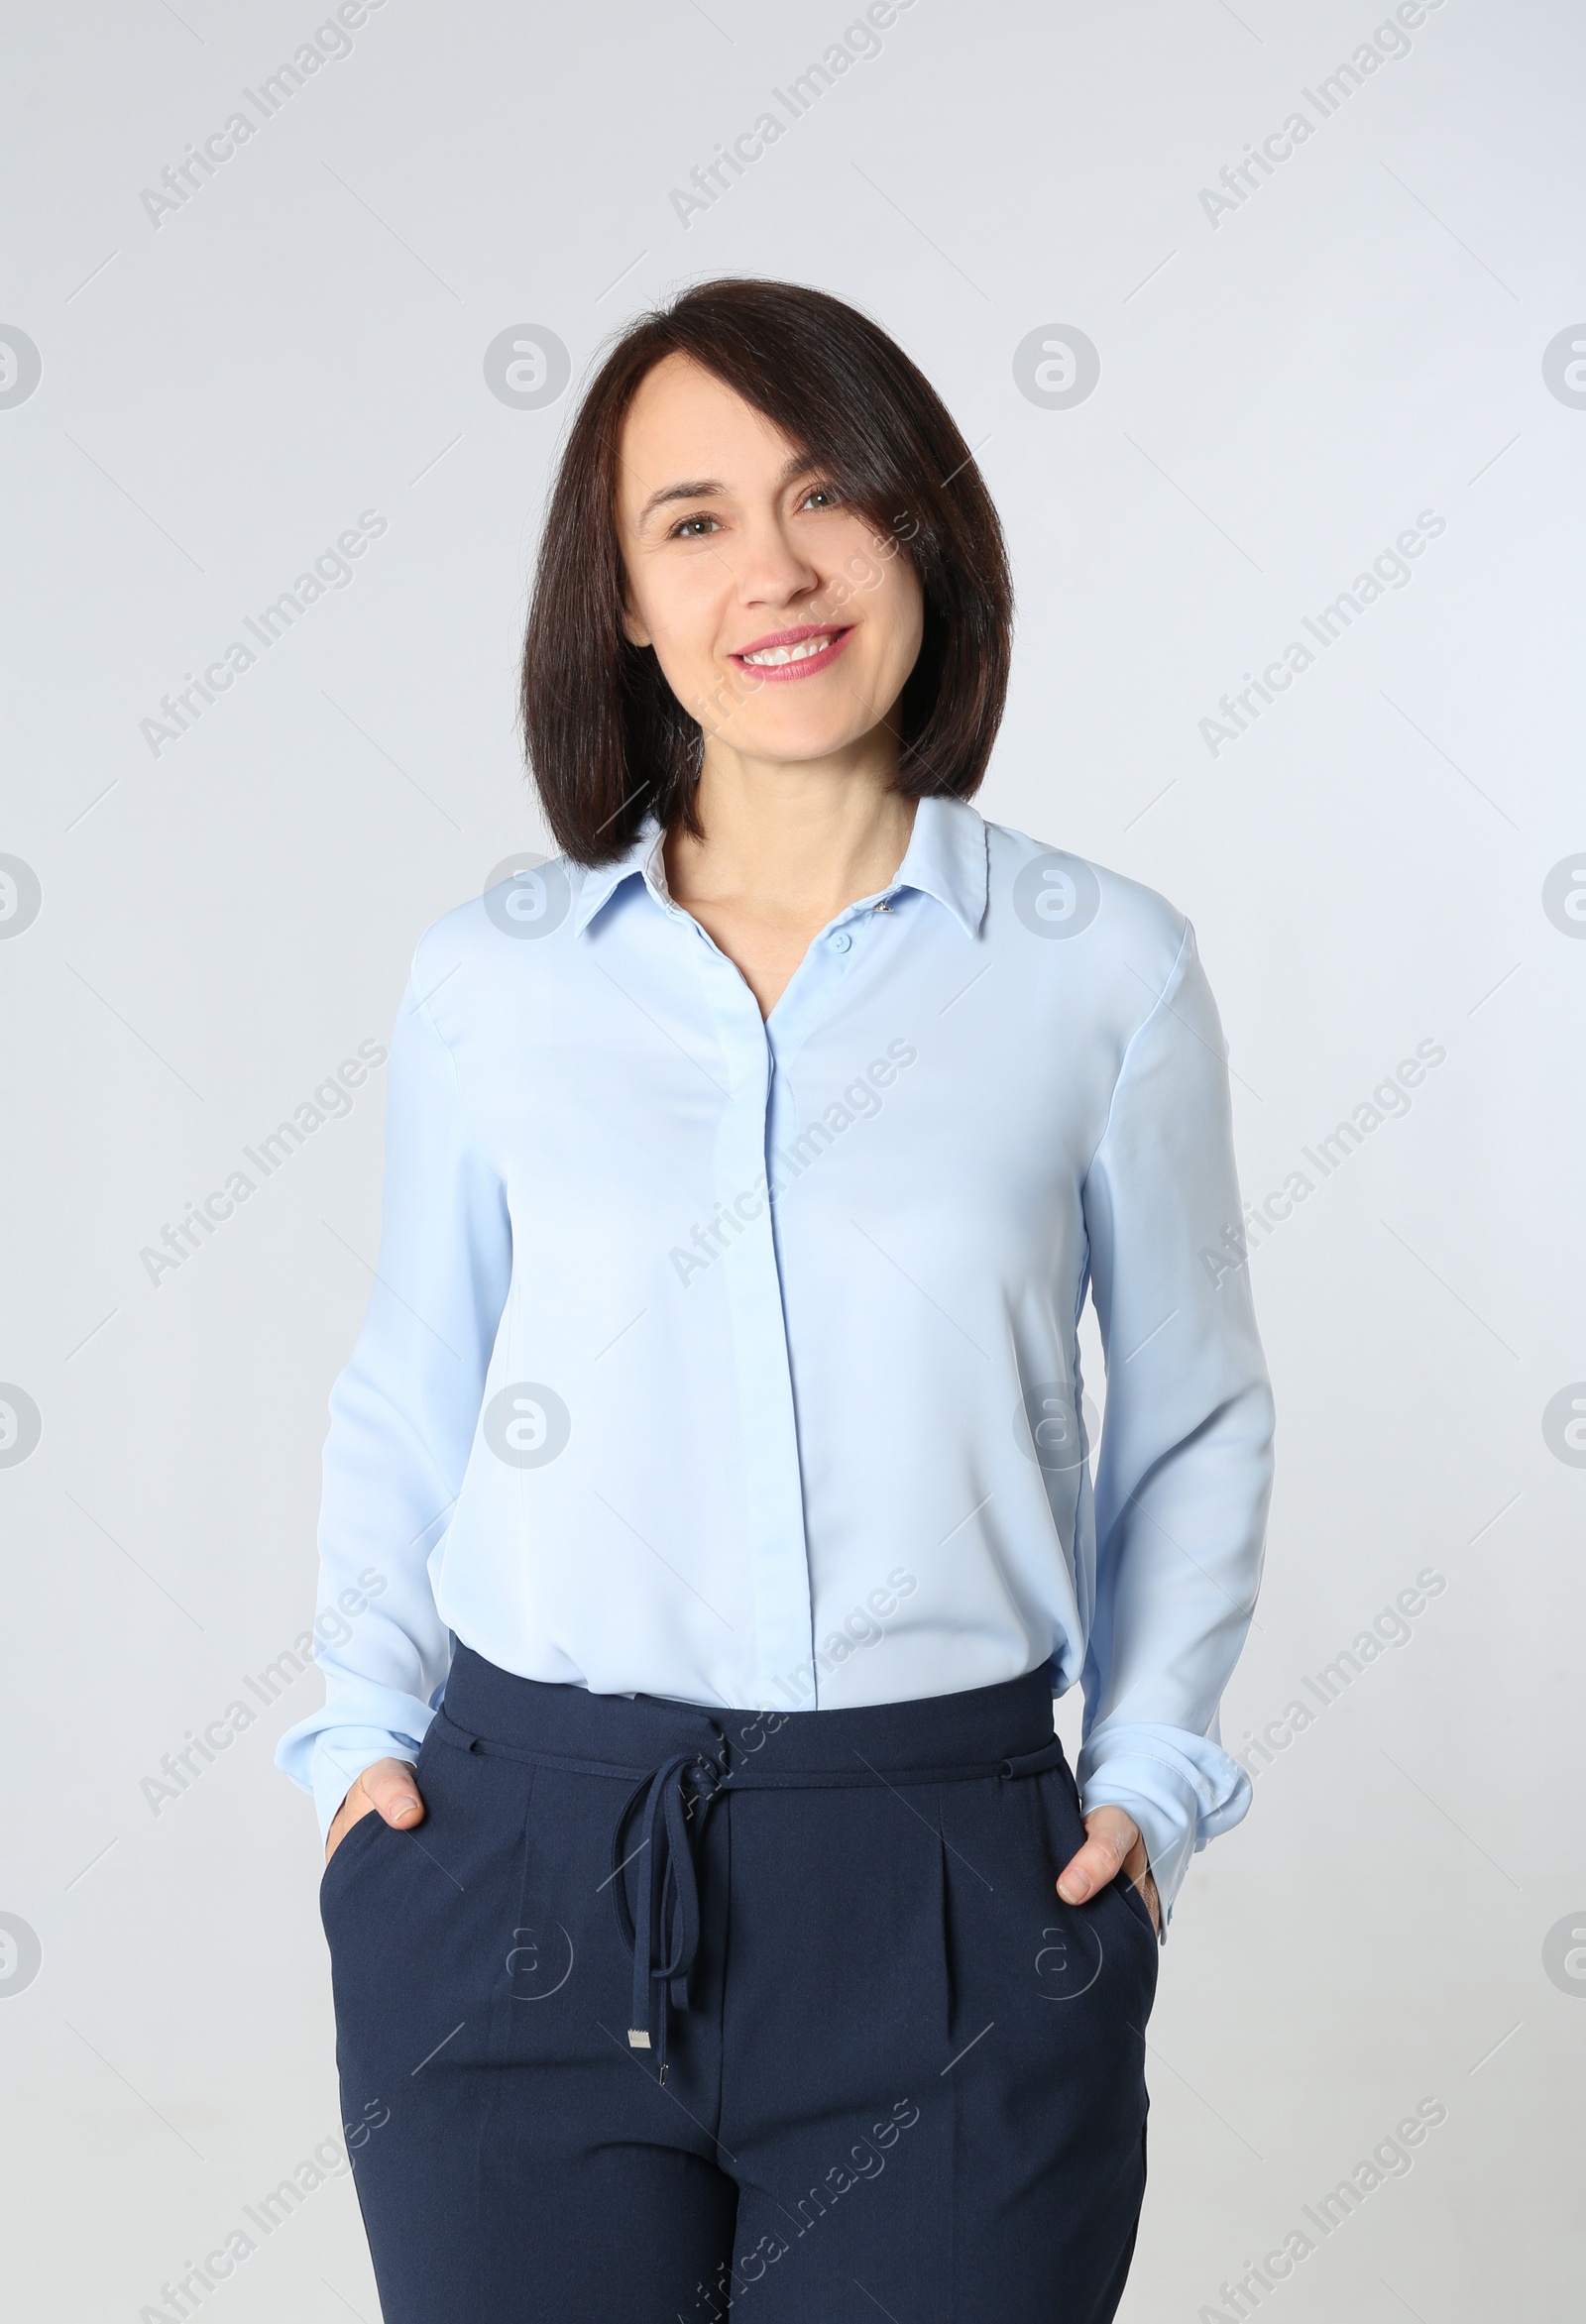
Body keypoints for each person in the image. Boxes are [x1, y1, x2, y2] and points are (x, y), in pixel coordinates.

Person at [278, 276, 1275, 2324]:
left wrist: (1149, 1778)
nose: (777, 569)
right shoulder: (496, 979)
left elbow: (1188, 1413)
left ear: (923, 530)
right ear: (624, 601)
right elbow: (412, 1382)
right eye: (695, 518)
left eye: (828, 492)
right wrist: (359, 1762)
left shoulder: (1099, 970)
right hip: (516, 1870)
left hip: (949, 1881)